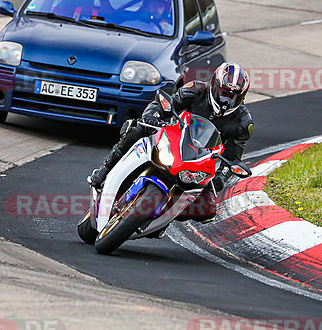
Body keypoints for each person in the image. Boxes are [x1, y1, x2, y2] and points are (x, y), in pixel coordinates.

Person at [87, 62, 253, 223]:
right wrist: (152, 117)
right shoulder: (195, 89)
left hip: (200, 160)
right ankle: (105, 169)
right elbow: (165, 104)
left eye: (231, 97)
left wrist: (221, 178)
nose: (225, 100)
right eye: (223, 93)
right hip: (172, 135)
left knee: (208, 209)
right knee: (136, 128)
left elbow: (232, 158)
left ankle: (163, 217)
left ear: (241, 98)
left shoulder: (243, 123)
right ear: (214, 86)